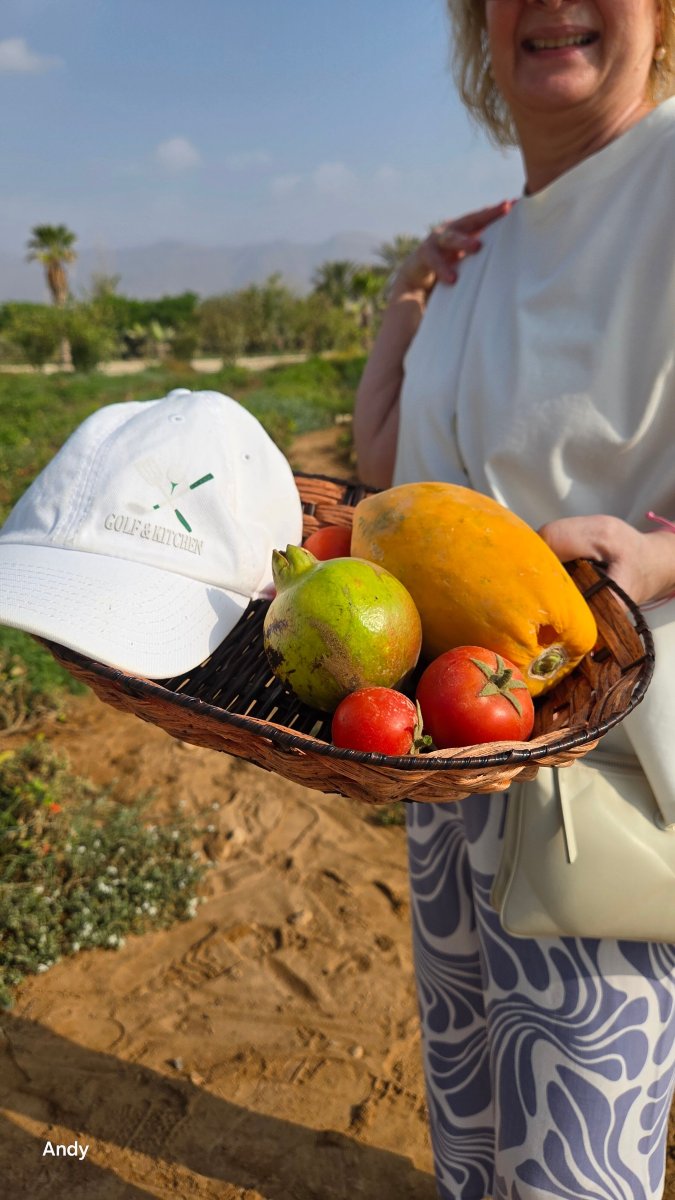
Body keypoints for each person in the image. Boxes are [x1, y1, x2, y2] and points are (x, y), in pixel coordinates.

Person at [353, 2, 675, 1198]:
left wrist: (658, 558)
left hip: (604, 776)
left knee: (573, 1172)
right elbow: (390, 493)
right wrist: (404, 315)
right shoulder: (483, 254)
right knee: (475, 1139)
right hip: (447, 760)